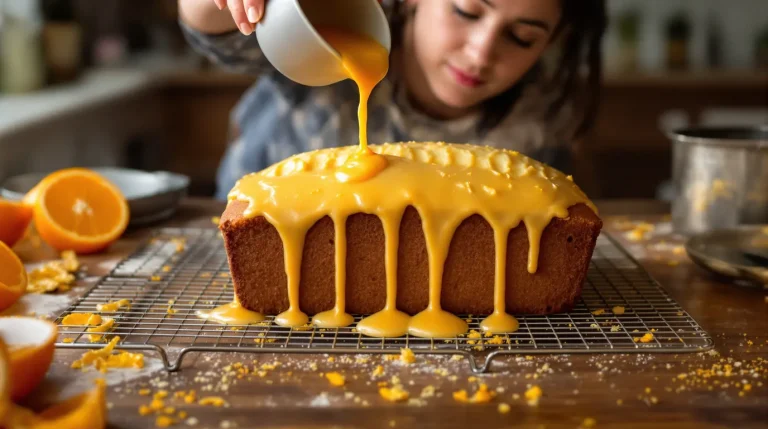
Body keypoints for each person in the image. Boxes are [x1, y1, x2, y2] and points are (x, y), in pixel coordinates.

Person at [178, 0, 607, 199]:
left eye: (522, 37)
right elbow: (208, 28)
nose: (481, 53)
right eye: (467, 12)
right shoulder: (330, 28)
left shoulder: (541, 119)